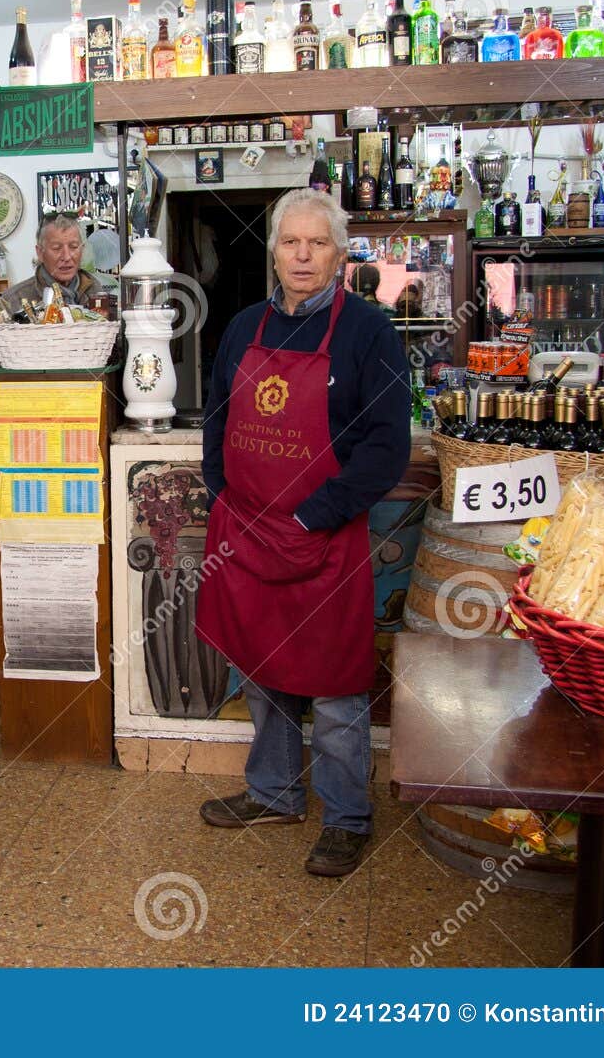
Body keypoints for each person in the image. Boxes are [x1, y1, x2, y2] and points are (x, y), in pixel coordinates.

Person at [195, 188, 412, 877]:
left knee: (337, 687)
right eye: (291, 242)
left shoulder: (369, 333)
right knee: (260, 670)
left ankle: (347, 815)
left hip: (325, 539)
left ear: (340, 254)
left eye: (317, 243)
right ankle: (275, 791)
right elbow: (216, 420)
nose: (302, 254)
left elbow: (387, 448)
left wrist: (316, 513)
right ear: (274, 252)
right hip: (250, 533)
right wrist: (224, 491)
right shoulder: (243, 326)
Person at [0, 211, 98, 317]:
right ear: (40, 253)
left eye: (73, 247)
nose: (66, 257)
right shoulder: (14, 300)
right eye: (56, 248)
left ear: (81, 250)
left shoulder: (95, 291)